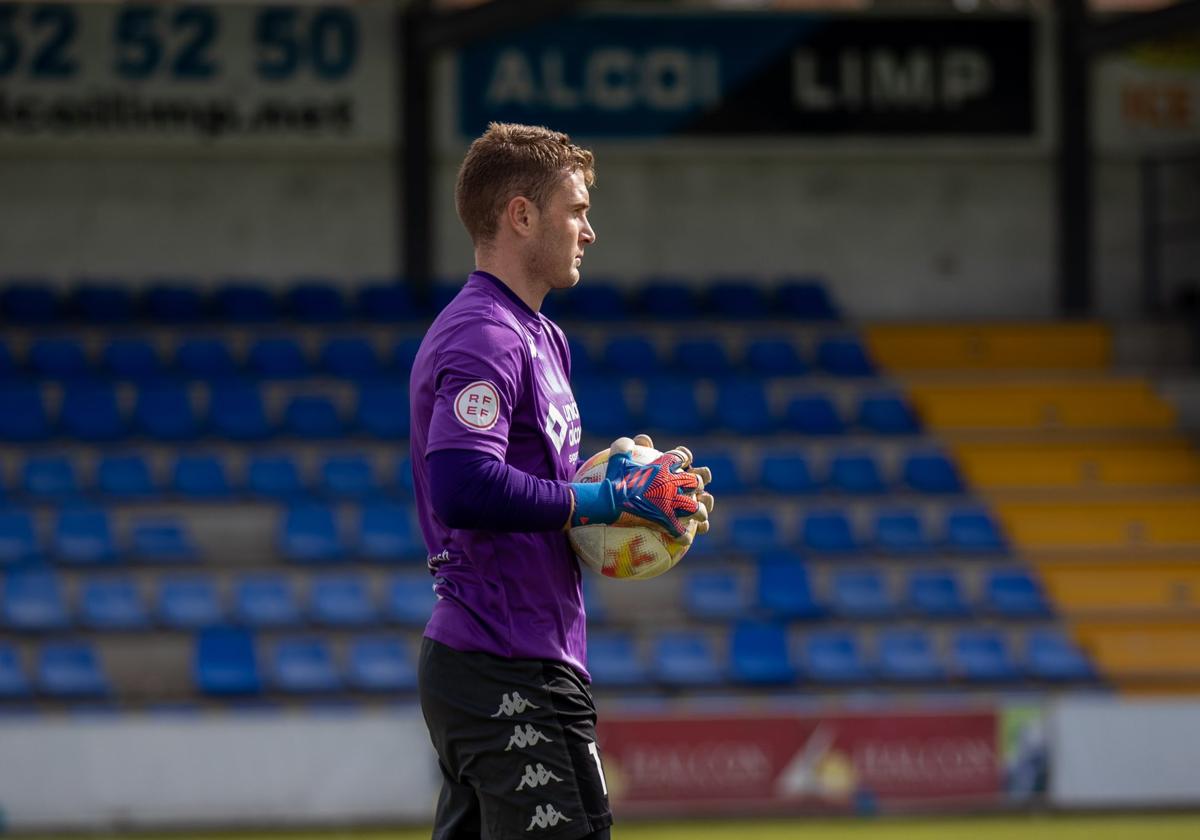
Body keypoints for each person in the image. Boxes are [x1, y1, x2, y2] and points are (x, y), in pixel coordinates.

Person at [409, 122, 715, 840]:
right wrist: (611, 499)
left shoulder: (544, 339)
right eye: (575, 210)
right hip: (500, 660)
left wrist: (625, 477)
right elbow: (463, 485)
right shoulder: (482, 334)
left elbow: (544, 487)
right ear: (522, 215)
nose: (589, 230)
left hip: (528, 657)